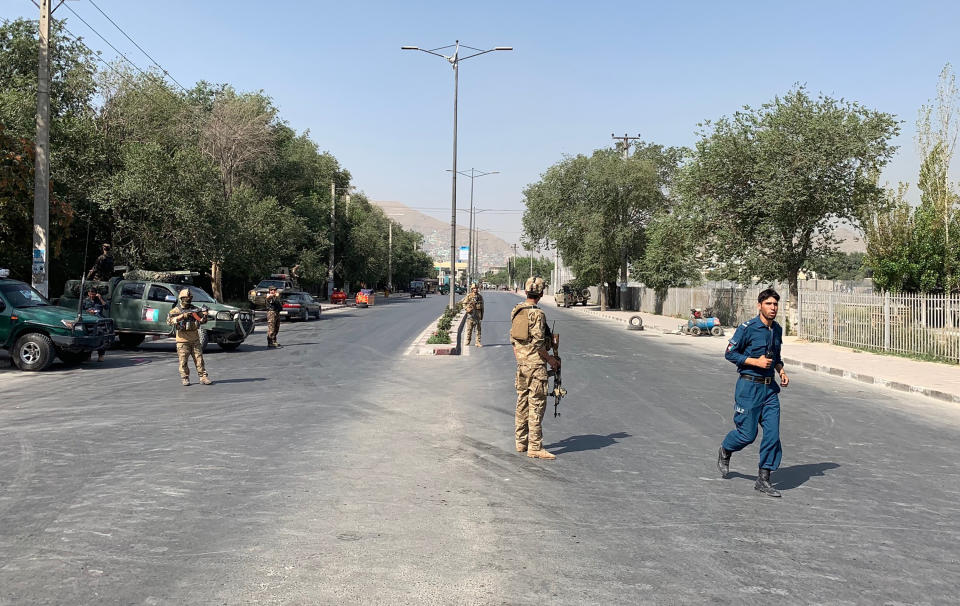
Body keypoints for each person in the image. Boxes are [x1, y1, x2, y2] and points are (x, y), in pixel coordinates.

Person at [716, 288, 790, 497]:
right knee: (747, 435)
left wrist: (781, 370)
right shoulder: (747, 328)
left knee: (773, 434)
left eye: (775, 304)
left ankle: (763, 478)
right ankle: (726, 449)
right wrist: (754, 361)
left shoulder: (777, 329)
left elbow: (776, 355)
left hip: (769, 390)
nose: (773, 308)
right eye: (768, 304)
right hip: (749, 387)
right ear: (759, 306)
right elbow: (729, 353)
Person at [510, 276, 559, 460]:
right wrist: (551, 361)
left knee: (522, 402)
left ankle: (521, 441)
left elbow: (514, 341)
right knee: (536, 405)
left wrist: (522, 360)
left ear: (525, 291)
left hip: (521, 365)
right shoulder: (537, 315)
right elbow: (539, 345)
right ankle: (535, 447)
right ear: (541, 293)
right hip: (536, 367)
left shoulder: (516, 310)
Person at [167, 288, 211, 386]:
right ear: (182, 298)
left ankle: (203, 377)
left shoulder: (195, 309)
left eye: (190, 297)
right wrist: (182, 316)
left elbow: (202, 321)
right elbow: (169, 321)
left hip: (195, 339)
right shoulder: (176, 310)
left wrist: (205, 315)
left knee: (199, 360)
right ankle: (185, 378)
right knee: (183, 362)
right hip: (182, 341)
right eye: (187, 297)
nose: (189, 299)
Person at [82, 286, 108, 362]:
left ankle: (101, 355)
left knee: (101, 338)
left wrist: (100, 298)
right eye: (90, 294)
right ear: (88, 294)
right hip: (89, 321)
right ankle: (88, 355)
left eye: (93, 294)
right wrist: (88, 312)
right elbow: (81, 311)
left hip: (99, 321)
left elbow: (106, 307)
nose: (92, 296)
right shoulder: (85, 301)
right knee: (89, 339)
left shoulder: (99, 300)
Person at [463, 282, 485, 347]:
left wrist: (481, 315)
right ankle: (468, 340)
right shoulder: (469, 296)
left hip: (478, 315)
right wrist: (467, 309)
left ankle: (478, 342)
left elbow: (482, 306)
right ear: (472, 289)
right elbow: (464, 303)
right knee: (469, 329)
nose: (475, 289)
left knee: (478, 329)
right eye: (474, 288)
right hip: (471, 315)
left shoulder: (480, 297)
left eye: (476, 288)